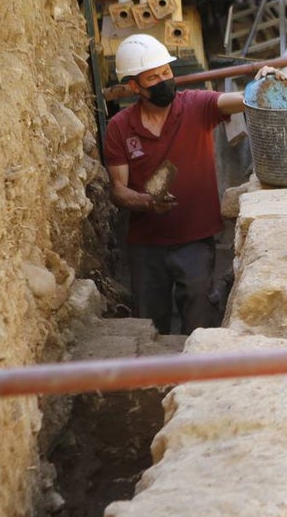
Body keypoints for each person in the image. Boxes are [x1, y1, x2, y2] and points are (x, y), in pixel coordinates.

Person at [103, 33, 248, 335]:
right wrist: (147, 202)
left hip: (195, 240)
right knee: (148, 327)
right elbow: (118, 189)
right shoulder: (120, 127)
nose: (164, 81)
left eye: (166, 72)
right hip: (146, 246)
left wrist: (260, 88)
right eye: (153, 77)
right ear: (134, 87)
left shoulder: (196, 106)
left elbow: (234, 101)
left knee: (198, 323)